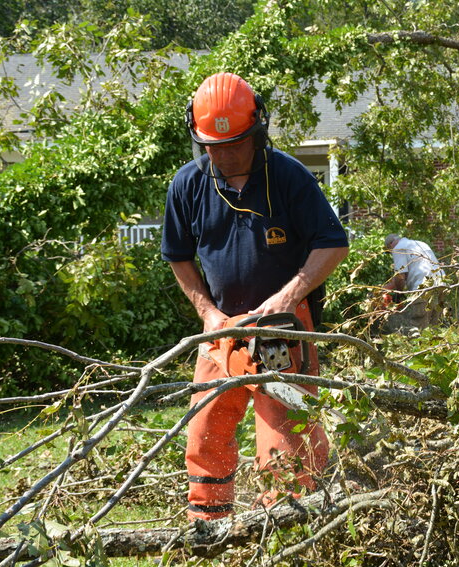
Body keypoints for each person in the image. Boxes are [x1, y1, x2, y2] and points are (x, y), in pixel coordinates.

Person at [161, 72, 349, 521]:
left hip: (282, 326)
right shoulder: (187, 185)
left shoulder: (288, 177)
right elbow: (178, 255)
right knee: (205, 430)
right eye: (214, 146)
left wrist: (288, 296)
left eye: (235, 144)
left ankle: (290, 529)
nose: (224, 154)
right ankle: (208, 524)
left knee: (285, 440)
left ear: (258, 132)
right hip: (222, 326)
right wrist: (207, 312)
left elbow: (332, 242)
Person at [382, 233, 444, 331]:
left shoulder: (398, 248)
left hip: (423, 288)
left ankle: (420, 346)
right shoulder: (420, 244)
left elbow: (400, 277)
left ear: (390, 245)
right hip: (441, 284)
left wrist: (399, 294)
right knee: (435, 326)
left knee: (419, 326)